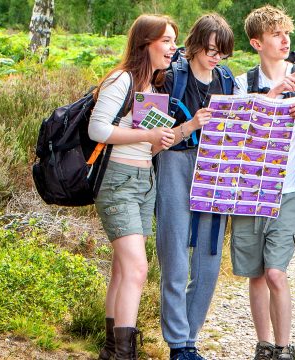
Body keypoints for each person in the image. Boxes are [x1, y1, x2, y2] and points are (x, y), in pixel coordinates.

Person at [230, 5, 295, 360]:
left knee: (275, 273)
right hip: (247, 191)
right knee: (255, 274)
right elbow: (237, 137)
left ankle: (285, 347)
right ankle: (264, 345)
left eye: (287, 33)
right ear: (257, 42)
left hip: (287, 190)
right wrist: (270, 98)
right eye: (275, 34)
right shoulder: (242, 84)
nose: (285, 40)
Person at [89, 14, 177, 360]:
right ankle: (124, 354)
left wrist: (159, 141)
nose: (173, 48)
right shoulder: (120, 80)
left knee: (123, 269)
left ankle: (112, 351)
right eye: (166, 41)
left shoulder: (154, 88)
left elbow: (144, 143)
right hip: (118, 182)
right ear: (146, 44)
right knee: (138, 268)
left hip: (144, 181)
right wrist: (148, 135)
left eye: (173, 40)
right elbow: (98, 130)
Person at [154, 13, 234, 360]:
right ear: (196, 44)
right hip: (175, 162)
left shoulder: (227, 80)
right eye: (211, 50)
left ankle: (189, 340)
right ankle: (177, 344)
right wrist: (190, 125)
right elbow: (153, 138)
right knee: (174, 254)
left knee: (210, 256)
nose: (216, 58)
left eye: (222, 53)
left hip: (216, 167)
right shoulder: (171, 77)